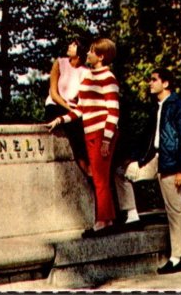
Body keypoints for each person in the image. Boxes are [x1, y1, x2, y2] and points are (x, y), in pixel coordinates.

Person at [117, 67, 181, 274]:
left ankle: (178, 257)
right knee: (121, 172)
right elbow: (148, 138)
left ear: (166, 83)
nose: (149, 83)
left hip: (172, 163)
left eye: (154, 80)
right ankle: (132, 214)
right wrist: (135, 158)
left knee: (174, 209)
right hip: (154, 159)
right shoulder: (157, 107)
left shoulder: (178, 106)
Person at [47, 38, 120, 236]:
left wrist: (106, 139)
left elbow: (113, 111)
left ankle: (102, 221)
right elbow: (80, 109)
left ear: (101, 56)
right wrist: (61, 120)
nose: (87, 54)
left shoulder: (108, 78)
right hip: (90, 132)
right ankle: (109, 219)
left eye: (91, 51)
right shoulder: (88, 78)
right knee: (99, 177)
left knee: (100, 178)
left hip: (102, 133)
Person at [43, 39, 89, 174]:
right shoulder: (59, 63)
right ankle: (84, 165)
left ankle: (87, 165)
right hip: (56, 105)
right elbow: (54, 93)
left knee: (80, 124)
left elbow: (83, 98)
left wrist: (75, 111)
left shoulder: (86, 72)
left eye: (74, 45)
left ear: (80, 52)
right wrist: (70, 110)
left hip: (74, 109)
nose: (69, 46)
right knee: (74, 123)